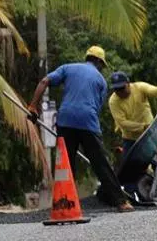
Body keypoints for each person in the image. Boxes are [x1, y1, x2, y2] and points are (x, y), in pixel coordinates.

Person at [27, 46, 134, 212]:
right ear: (98, 61)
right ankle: (121, 202)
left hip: (65, 120)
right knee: (101, 163)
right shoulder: (101, 81)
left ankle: (64, 203)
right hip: (88, 122)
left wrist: (33, 106)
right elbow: (96, 109)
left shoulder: (67, 68)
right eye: (102, 65)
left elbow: (44, 82)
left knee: (65, 165)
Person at [107, 71, 157, 195]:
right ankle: (133, 195)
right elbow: (122, 123)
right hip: (130, 138)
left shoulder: (139, 87)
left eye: (122, 88)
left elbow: (154, 91)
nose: (120, 92)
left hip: (150, 136)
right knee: (129, 169)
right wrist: (141, 127)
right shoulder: (113, 101)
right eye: (117, 89)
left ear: (128, 84)